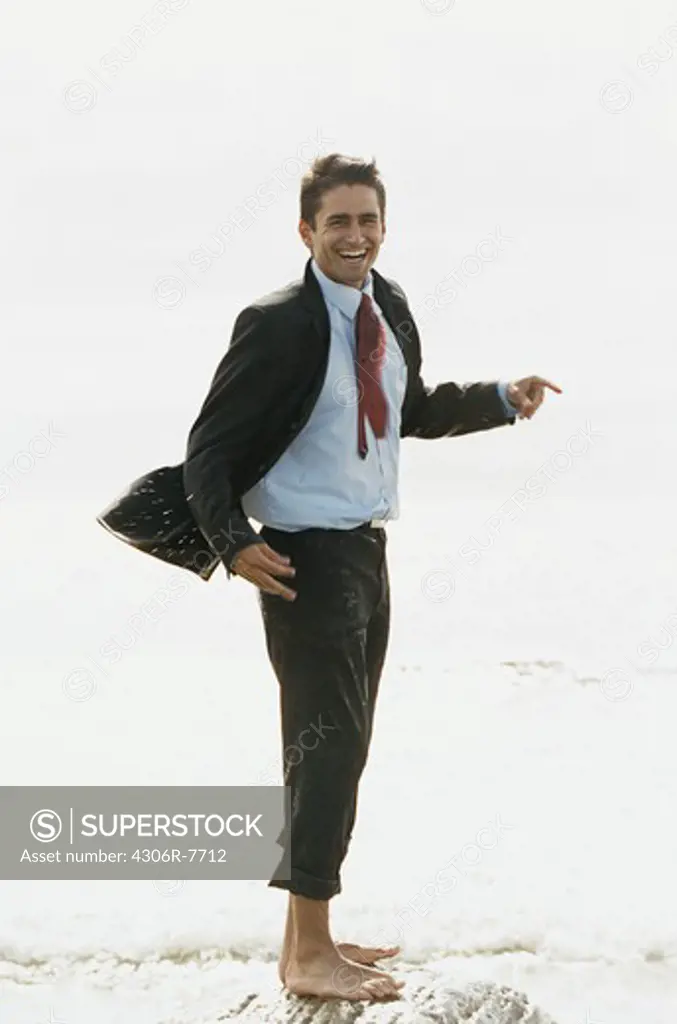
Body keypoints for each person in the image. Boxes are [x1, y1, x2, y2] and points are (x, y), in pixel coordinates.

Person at [182, 153, 561, 1003]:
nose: (354, 235)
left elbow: (412, 408)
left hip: (364, 553)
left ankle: (306, 938)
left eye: (366, 220)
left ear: (383, 227)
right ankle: (307, 953)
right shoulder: (275, 322)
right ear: (305, 231)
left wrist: (501, 398)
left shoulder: (385, 306)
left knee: (339, 750)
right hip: (301, 560)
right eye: (337, 222)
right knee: (325, 750)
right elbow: (206, 448)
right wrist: (231, 544)